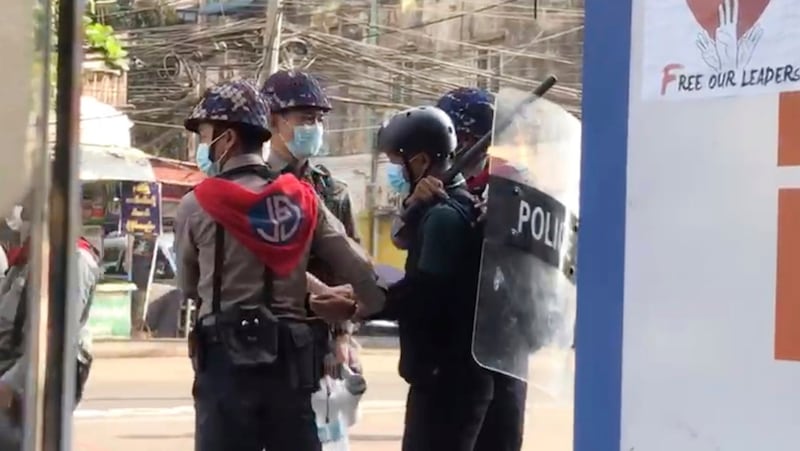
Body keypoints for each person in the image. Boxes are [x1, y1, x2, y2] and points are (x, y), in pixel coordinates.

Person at [177, 79, 384, 451]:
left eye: (206, 135)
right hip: (292, 362)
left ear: (227, 139)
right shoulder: (304, 199)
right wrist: (359, 308)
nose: (203, 146)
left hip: (224, 360)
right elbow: (359, 268)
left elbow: (189, 287)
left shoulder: (196, 204)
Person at [372, 105, 490, 451]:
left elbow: (423, 296)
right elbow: (400, 235)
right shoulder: (446, 204)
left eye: (398, 162)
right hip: (451, 378)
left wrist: (364, 303)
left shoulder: (443, 216)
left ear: (420, 161)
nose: (396, 170)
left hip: (447, 384)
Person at [435, 87, 527, 451]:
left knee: (499, 436)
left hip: (503, 339)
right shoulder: (446, 187)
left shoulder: (515, 186)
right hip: (458, 342)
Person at [261, 69, 362, 380]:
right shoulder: (254, 186)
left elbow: (349, 268)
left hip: (319, 336)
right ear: (273, 121)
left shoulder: (331, 191)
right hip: (264, 334)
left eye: (318, 120)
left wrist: (343, 335)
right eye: (305, 118)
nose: (314, 127)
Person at [0, 193, 100, 449]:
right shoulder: (30, 254)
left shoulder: (74, 260)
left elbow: (57, 338)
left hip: (32, 376)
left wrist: (10, 384)